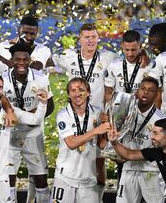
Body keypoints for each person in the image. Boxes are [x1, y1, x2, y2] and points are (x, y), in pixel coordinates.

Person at [52, 23, 117, 199]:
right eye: (86, 37)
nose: (90, 40)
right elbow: (49, 60)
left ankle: (99, 197)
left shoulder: (109, 57)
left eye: (93, 37)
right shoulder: (68, 56)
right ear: (79, 39)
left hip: (97, 116)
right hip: (75, 112)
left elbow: (125, 63)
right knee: (74, 154)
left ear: (98, 38)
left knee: (98, 160)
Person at [0, 74, 50, 203]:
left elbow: (36, 120)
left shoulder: (10, 112)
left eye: (0, 87)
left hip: (1, 175)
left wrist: (43, 104)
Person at [2, 42, 54, 202]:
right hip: (9, 134)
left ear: (30, 60)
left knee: (40, 178)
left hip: (33, 133)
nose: (21, 63)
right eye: (18, 59)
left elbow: (50, 106)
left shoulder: (40, 78)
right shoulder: (3, 79)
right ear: (12, 60)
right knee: (8, 178)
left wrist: (31, 117)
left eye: (25, 59)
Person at [108, 118, 166, 203]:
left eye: (155, 133)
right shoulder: (157, 152)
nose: (152, 137)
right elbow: (129, 155)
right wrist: (114, 142)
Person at [51, 77, 110, 203]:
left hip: (88, 179)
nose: (77, 94)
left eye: (81, 90)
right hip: (65, 178)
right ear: (69, 94)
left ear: (88, 92)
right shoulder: (63, 115)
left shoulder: (97, 113)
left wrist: (108, 131)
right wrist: (96, 130)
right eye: (73, 90)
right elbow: (71, 143)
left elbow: (101, 145)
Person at [115, 77, 166, 203]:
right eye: (143, 89)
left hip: (151, 170)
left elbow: (159, 149)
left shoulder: (161, 119)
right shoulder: (124, 111)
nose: (145, 92)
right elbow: (116, 135)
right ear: (137, 91)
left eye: (150, 90)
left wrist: (129, 155)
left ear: (156, 95)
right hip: (128, 168)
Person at [105, 30, 152, 103]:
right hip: (120, 111)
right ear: (122, 46)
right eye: (127, 50)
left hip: (142, 111)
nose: (130, 54)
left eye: (133, 50)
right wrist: (110, 110)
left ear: (140, 47)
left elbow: (157, 93)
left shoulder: (150, 66)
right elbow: (108, 91)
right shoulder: (114, 65)